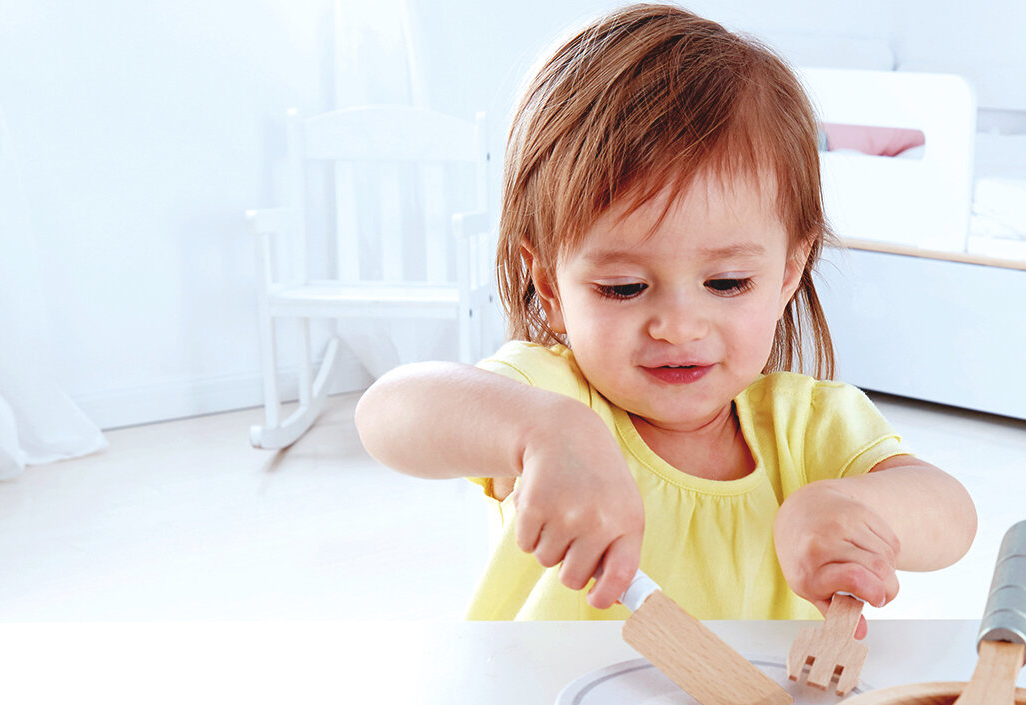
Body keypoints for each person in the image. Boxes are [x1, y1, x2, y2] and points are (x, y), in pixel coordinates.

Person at [355, 4, 976, 620]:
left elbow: (953, 514)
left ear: (789, 271)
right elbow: (387, 411)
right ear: (549, 284)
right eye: (624, 287)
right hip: (550, 689)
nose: (678, 327)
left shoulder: (808, 428)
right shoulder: (554, 398)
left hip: (758, 692)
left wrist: (856, 509)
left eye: (727, 282)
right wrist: (542, 433)